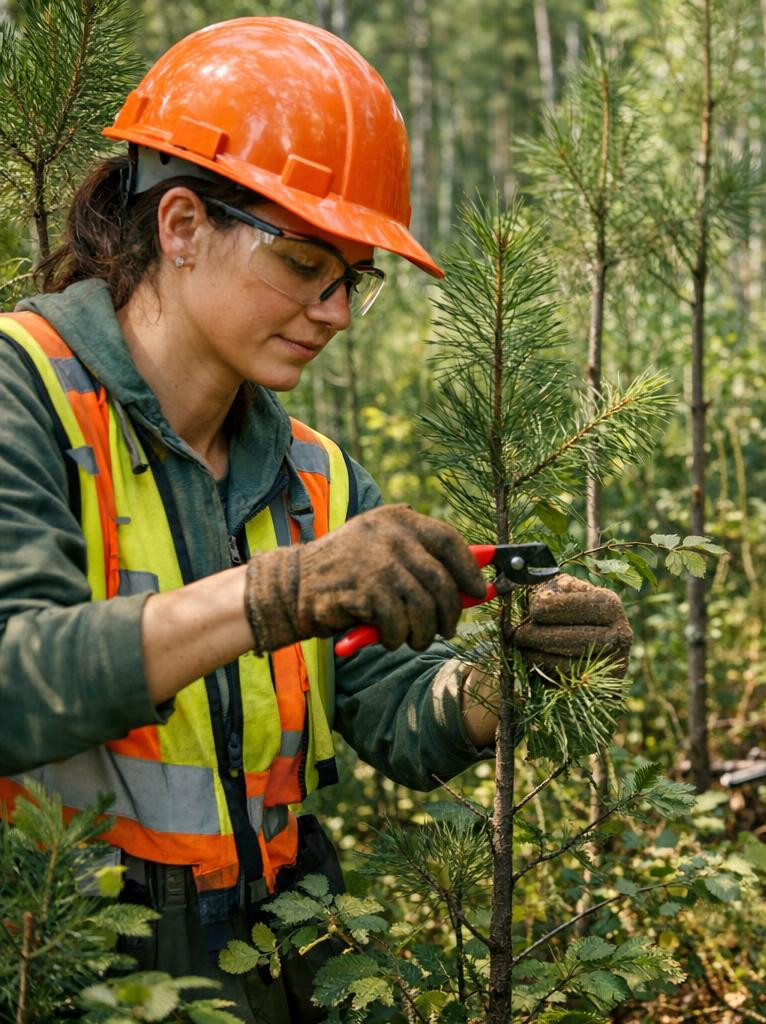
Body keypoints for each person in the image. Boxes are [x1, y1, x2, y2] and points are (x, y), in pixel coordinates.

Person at [0, 18, 629, 1021]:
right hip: (67, 969)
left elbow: (386, 705)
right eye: (304, 264)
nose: (335, 310)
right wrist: (275, 593)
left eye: (353, 280)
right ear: (179, 227)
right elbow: (11, 684)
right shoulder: (22, 393)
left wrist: (502, 676)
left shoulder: (312, 475)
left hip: (282, 960)